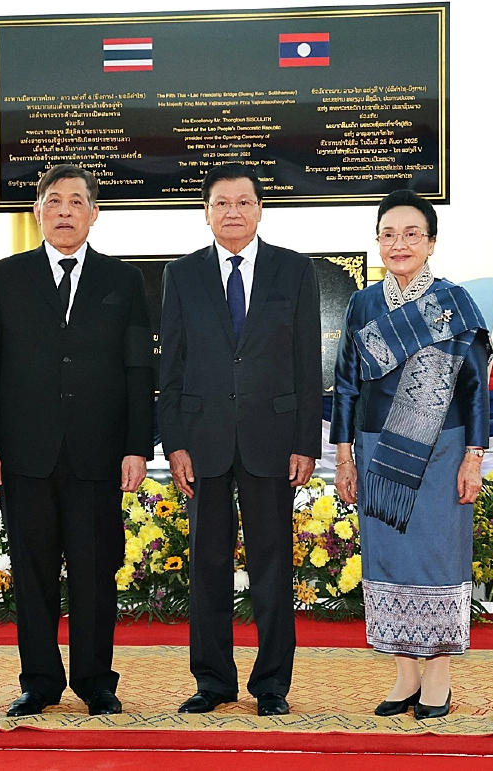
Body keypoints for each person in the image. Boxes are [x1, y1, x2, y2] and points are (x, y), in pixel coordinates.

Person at [0, 164, 155, 718]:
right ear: (38, 213)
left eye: (77, 201)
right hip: (25, 454)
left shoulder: (123, 283)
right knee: (32, 570)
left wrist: (137, 446)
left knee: (97, 569)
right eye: (54, 201)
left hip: (99, 453)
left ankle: (97, 680)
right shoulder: (5, 277)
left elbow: (138, 369)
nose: (66, 210)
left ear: (94, 213)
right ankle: (40, 681)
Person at [157, 163, 323, 717]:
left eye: (243, 202)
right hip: (203, 441)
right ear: (206, 212)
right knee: (206, 563)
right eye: (221, 203)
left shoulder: (294, 272)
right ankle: (212, 680)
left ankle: (272, 683)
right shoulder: (180, 275)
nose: (233, 212)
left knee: (273, 561)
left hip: (272, 439)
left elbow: (307, 362)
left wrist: (306, 440)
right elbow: (171, 365)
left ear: (259, 209)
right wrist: (174, 441)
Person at [330, 189, 490, 720]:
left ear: (432, 242)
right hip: (378, 451)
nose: (399, 244)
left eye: (411, 234)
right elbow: (347, 385)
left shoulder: (454, 302)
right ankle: (403, 677)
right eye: (388, 234)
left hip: (442, 449)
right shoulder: (362, 304)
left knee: (438, 555)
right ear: (377, 242)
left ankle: (439, 678)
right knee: (388, 557)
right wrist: (345, 457)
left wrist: (474, 456)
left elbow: (474, 388)